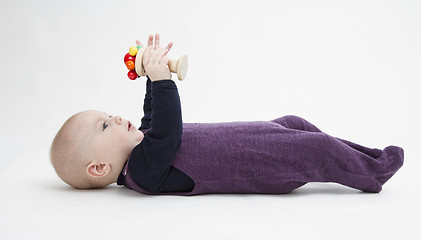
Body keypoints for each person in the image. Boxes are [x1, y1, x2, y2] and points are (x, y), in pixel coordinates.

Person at [50, 33, 404, 196]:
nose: (115, 118)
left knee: (297, 125)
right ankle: (373, 173)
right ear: (99, 168)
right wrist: (163, 82)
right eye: (104, 125)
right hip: (260, 164)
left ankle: (364, 156)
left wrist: (151, 73)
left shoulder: (143, 145)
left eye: (108, 115)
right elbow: (168, 132)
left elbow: (155, 120)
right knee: (317, 150)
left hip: (257, 137)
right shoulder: (142, 172)